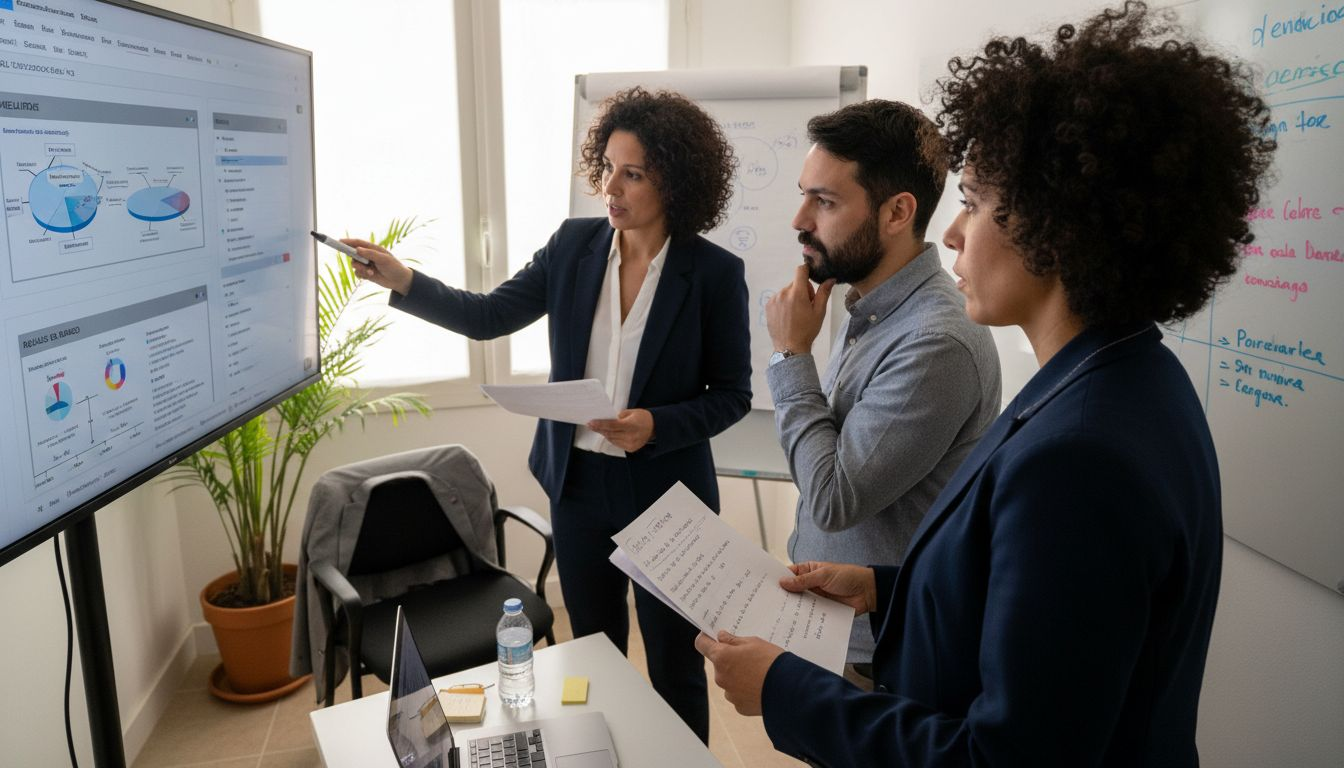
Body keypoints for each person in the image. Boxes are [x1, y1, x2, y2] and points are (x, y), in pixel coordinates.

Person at [696, 3, 1276, 764]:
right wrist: (885, 587)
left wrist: (782, 690)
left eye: (973, 201)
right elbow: (1026, 594)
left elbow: (1004, 759)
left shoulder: (1080, 456)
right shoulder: (1122, 373)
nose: (955, 233)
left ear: (1058, 221)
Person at [347, 87, 751, 742]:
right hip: (579, 488)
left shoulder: (711, 273)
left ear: (674, 181)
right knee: (593, 655)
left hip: (667, 495)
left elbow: (732, 393)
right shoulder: (574, 246)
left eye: (633, 173)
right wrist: (404, 281)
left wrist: (656, 423)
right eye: (607, 168)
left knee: (675, 661)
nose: (610, 188)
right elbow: (489, 315)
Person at [763, 99, 1000, 682]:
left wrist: (792, 356)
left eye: (825, 201)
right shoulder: (865, 302)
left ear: (897, 213)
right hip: (833, 623)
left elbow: (835, 498)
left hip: (881, 651)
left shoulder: (936, 341)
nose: (800, 219)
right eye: (804, 194)